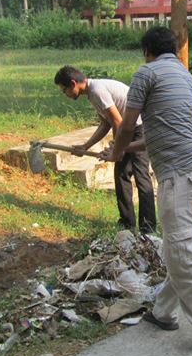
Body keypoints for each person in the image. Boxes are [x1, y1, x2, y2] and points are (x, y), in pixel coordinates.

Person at [107, 26, 192, 356]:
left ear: (147, 51)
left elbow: (127, 123)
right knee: (180, 246)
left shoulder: (146, 73)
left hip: (179, 173)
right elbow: (157, 134)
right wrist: (124, 149)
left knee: (179, 249)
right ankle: (163, 312)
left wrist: (117, 152)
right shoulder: (183, 76)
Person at [54, 65, 156, 234]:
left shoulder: (97, 91)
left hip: (139, 128)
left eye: (64, 90)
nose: (65, 95)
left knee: (141, 175)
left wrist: (116, 149)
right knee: (121, 175)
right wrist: (85, 146)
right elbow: (106, 123)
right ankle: (127, 223)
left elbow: (117, 121)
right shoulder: (92, 92)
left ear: (73, 83)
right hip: (129, 129)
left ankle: (148, 228)